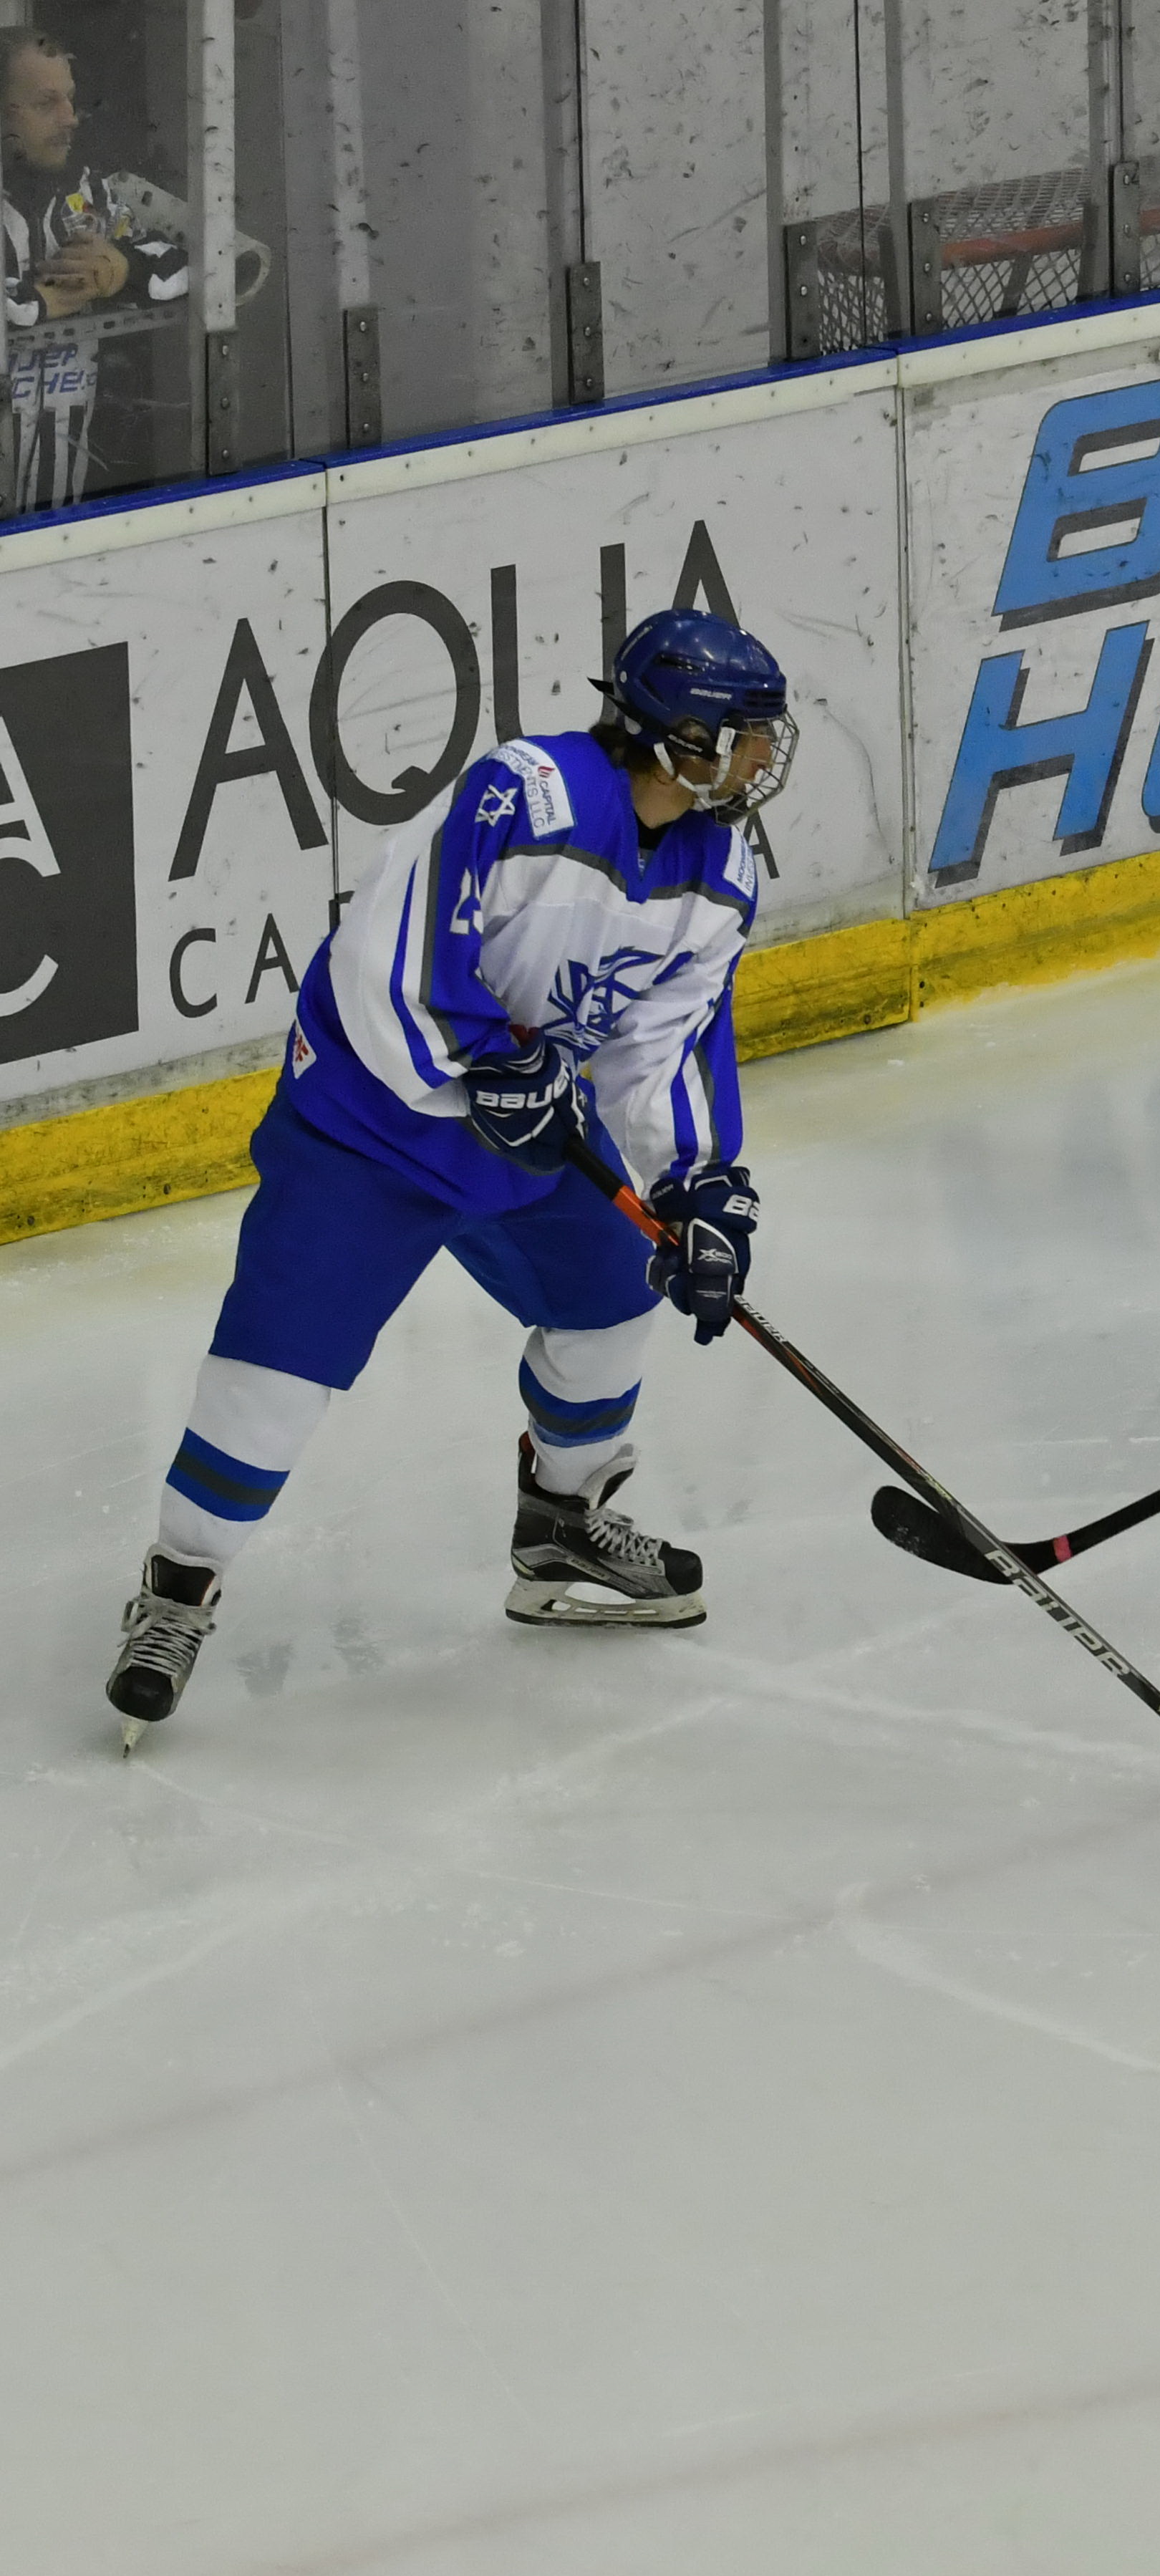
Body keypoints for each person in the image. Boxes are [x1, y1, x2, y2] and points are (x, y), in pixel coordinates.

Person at [102, 612, 796, 1748]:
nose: (765, 755)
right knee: (276, 1374)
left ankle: (560, 1528)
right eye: (749, 733)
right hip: (371, 1128)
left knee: (613, 1300)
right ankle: (177, 1590)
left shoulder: (721, 871)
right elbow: (390, 954)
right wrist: (483, 1066)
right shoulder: (527, 795)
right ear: (682, 737)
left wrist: (701, 1188)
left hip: (531, 1135)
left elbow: (666, 1045)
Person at [3, 25, 189, 516]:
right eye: (46, 103)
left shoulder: (94, 198)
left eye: (70, 99)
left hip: (68, 518)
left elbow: (219, 263)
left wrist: (126, 269)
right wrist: (33, 303)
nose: (70, 118)